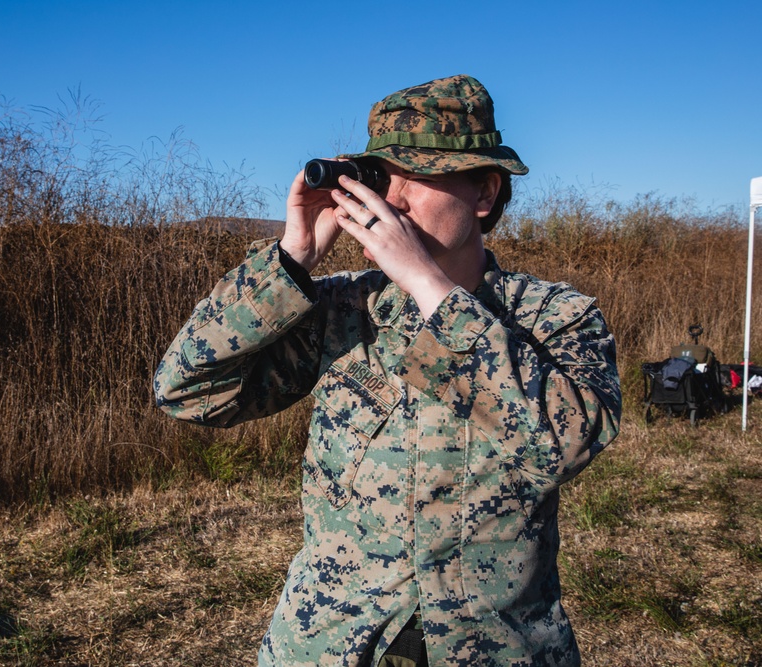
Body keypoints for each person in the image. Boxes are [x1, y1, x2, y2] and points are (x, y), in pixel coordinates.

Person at [154, 74, 621, 667]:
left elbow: (563, 446)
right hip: (330, 646)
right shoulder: (343, 311)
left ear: (484, 192)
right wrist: (291, 262)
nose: (391, 200)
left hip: (493, 649)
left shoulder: (554, 317)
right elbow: (186, 391)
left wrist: (430, 288)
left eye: (417, 177)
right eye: (380, 178)